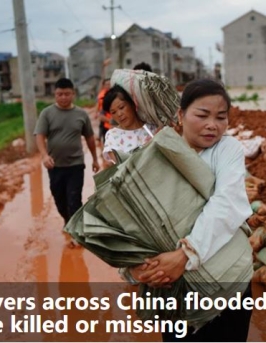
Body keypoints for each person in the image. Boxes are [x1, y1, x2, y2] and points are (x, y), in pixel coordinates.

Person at [125, 79, 254, 342]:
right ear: (181, 115)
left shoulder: (227, 149)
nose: (213, 125)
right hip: (174, 287)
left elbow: (225, 203)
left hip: (228, 282)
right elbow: (131, 218)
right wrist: (137, 270)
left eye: (221, 117)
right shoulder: (155, 156)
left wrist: (185, 255)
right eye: (202, 115)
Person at [34, 78, 100, 226]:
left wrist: (95, 159)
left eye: (67, 94)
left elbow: (89, 137)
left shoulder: (81, 114)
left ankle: (76, 231)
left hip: (76, 165)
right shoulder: (47, 113)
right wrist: (44, 155)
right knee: (59, 199)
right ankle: (67, 220)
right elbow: (39, 136)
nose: (63, 97)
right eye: (60, 94)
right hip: (55, 166)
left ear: (73, 94)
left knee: (74, 199)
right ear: (55, 95)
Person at [101, 85, 156, 164]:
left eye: (121, 107)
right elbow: (122, 165)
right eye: (113, 112)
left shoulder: (152, 128)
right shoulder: (113, 136)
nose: (119, 114)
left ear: (132, 104)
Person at [95, 79, 112, 146]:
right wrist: (96, 113)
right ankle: (100, 137)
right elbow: (98, 104)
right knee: (102, 128)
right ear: (104, 85)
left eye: (109, 84)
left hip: (112, 119)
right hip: (105, 117)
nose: (108, 86)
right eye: (107, 84)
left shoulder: (115, 94)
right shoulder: (101, 95)